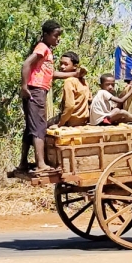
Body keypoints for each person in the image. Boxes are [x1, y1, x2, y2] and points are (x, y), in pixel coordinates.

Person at [20, 20, 84, 174]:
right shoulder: (42, 48)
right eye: (55, 36)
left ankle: (23, 163)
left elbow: (52, 74)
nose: (58, 39)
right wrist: (24, 86)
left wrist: (74, 74)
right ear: (46, 35)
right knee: (39, 127)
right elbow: (26, 64)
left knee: (31, 126)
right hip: (35, 90)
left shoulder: (46, 51)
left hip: (37, 89)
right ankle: (41, 163)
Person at [55, 52, 90, 127]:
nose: (62, 66)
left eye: (66, 64)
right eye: (61, 63)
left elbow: (70, 106)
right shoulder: (84, 81)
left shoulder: (69, 81)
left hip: (71, 121)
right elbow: (90, 100)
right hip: (83, 120)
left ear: (75, 66)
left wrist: (61, 123)